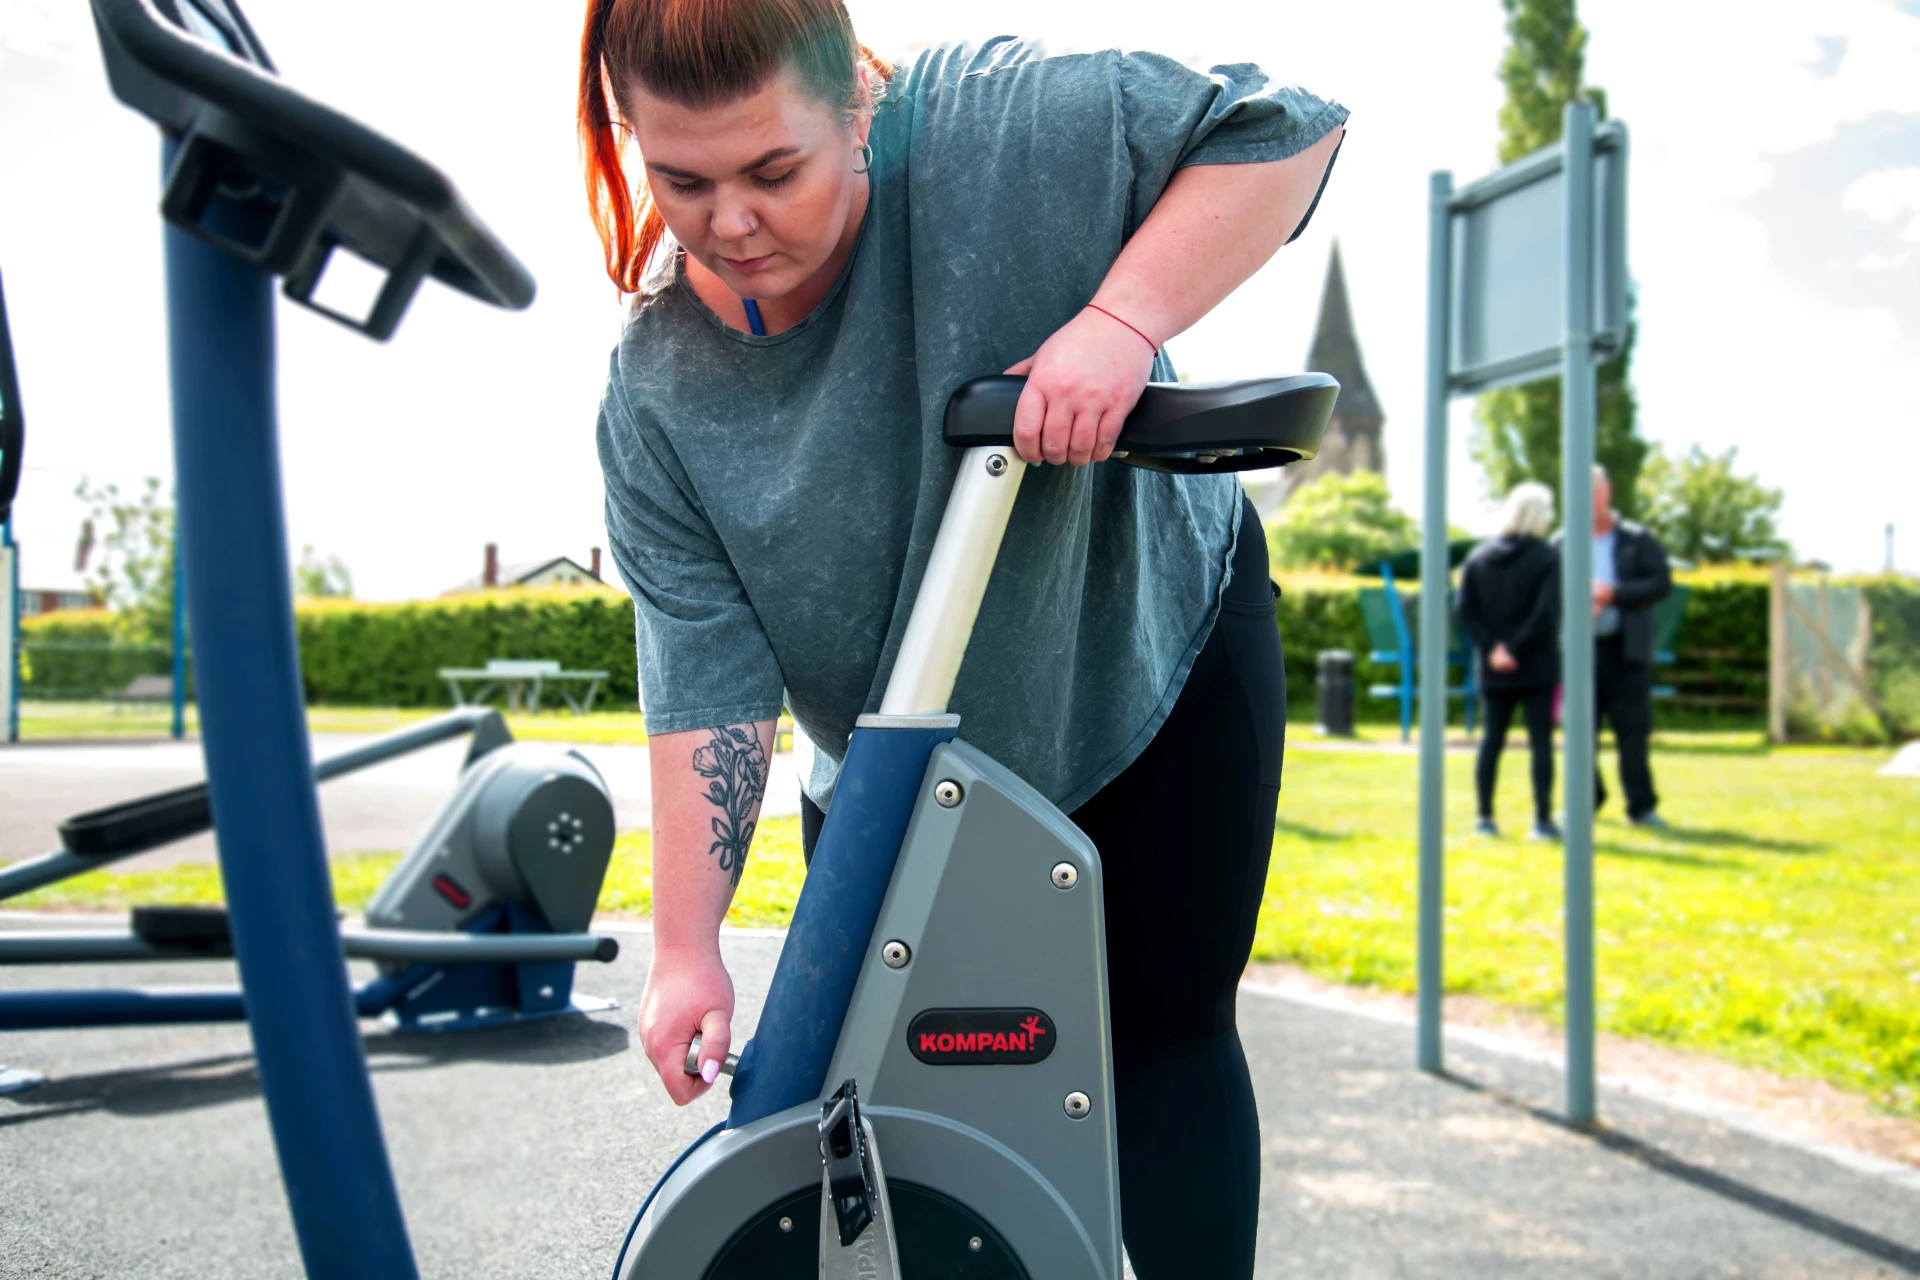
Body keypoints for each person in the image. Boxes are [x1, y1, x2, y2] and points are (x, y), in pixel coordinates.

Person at [578, 1, 1346, 1272]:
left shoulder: (1002, 126)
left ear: (859, 105)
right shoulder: (659, 392)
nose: (729, 222)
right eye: (682, 180)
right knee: (883, 1102)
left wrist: (1119, 323)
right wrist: (684, 948)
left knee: (1161, 1035)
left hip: (1144, 652)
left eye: (775, 170)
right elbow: (706, 682)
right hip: (892, 759)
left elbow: (1284, 132)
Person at [1566, 465, 1673, 825]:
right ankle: (1585, 801)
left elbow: (1661, 583)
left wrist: (1616, 594)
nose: (1589, 500)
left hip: (1626, 651)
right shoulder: (1563, 541)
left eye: (1594, 491)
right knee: (1579, 734)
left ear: (1608, 491)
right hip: (1580, 654)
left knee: (1633, 733)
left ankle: (1641, 807)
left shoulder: (1637, 539)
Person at [1455, 482, 1561, 840]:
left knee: (1491, 740)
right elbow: (1545, 613)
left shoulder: (1479, 557)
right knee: (1541, 742)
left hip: (1492, 665)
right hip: (1537, 663)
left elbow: (1464, 610)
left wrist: (1493, 648)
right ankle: (1542, 821)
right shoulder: (1547, 557)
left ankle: (1484, 818)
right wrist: (1516, 648)